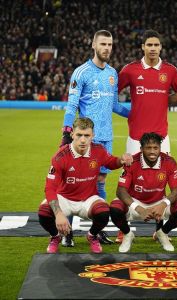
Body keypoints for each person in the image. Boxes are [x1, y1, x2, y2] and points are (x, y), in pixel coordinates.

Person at [61, 30, 130, 246]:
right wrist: (66, 132)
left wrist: (138, 113)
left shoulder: (112, 73)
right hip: (84, 138)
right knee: (73, 183)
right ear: (93, 45)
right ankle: (66, 232)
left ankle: (97, 230)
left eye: (110, 44)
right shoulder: (81, 73)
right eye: (103, 44)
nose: (107, 48)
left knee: (100, 181)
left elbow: (115, 105)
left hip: (106, 138)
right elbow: (72, 104)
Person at [38, 117, 132, 254]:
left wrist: (121, 160)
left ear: (93, 135)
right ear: (72, 135)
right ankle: (55, 236)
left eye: (87, 135)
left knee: (104, 211)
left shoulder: (98, 150)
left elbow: (111, 162)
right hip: (65, 198)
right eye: (79, 135)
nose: (83, 140)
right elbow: (50, 187)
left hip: (88, 199)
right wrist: (58, 213)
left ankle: (92, 236)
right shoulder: (60, 156)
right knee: (44, 212)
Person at [118, 29, 177, 155]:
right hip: (136, 136)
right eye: (149, 45)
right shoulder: (130, 70)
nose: (153, 48)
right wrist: (124, 111)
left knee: (164, 174)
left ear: (160, 47)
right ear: (143, 47)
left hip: (161, 137)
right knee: (132, 174)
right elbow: (111, 93)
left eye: (156, 45)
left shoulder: (170, 70)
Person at [109, 132, 177, 252]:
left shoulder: (169, 162)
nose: (152, 152)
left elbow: (176, 191)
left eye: (155, 148)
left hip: (159, 204)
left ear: (160, 148)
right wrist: (139, 209)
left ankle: (162, 233)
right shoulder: (132, 162)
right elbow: (120, 191)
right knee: (115, 208)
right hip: (135, 203)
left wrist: (163, 205)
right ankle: (127, 234)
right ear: (141, 149)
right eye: (148, 148)